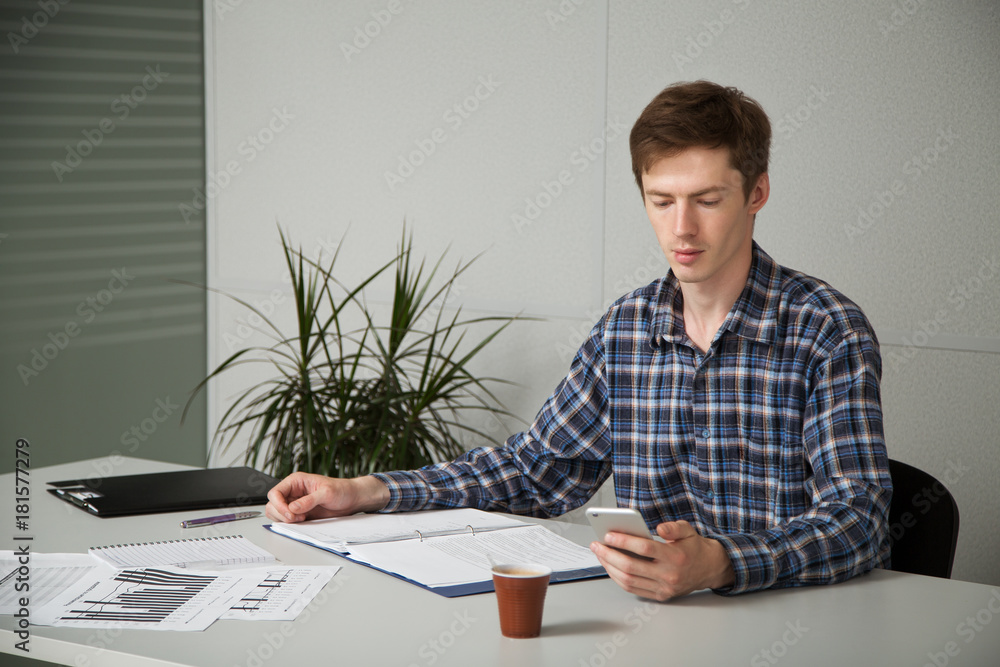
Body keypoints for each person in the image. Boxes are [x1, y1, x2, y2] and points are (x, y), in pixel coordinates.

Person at [266, 80, 892, 600]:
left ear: (756, 193)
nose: (682, 227)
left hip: (793, 629)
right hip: (652, 630)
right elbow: (535, 474)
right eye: (661, 200)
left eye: (707, 199)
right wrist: (363, 492)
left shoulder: (825, 328)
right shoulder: (625, 329)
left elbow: (859, 521)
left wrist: (721, 562)